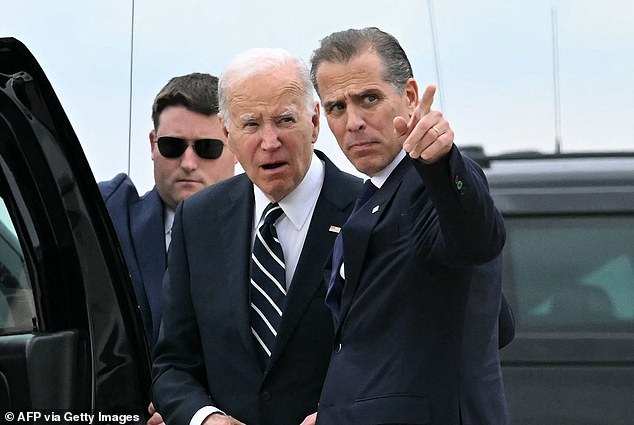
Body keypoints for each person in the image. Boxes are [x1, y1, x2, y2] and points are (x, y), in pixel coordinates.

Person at [151, 48, 362, 425]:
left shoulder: (367, 212)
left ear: (314, 121)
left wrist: (339, 417)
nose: (269, 141)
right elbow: (173, 365)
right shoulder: (197, 219)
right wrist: (205, 418)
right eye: (251, 125)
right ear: (228, 134)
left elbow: (397, 360)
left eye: (284, 120)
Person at [309, 27, 509, 424]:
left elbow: (476, 240)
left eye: (369, 99)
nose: (353, 123)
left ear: (411, 97)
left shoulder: (432, 181)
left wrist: (441, 162)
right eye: (336, 108)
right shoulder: (369, 197)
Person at [99, 72, 236, 350]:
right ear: (153, 144)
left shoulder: (265, 235)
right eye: (172, 146)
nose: (188, 163)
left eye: (206, 148)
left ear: (236, 147)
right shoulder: (109, 218)